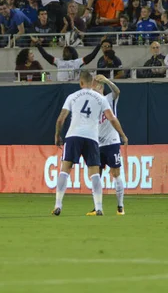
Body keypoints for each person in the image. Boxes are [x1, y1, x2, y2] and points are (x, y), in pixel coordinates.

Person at [52, 71, 128, 216]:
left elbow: (61, 119)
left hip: (76, 136)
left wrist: (57, 135)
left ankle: (58, 205)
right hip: (93, 139)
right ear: (92, 83)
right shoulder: (100, 99)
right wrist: (123, 134)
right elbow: (112, 118)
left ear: (81, 82)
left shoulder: (73, 96)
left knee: (65, 169)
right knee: (95, 174)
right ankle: (99, 207)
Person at [91, 74, 125, 215]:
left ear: (100, 88)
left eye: (96, 86)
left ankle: (120, 207)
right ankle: (98, 207)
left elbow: (117, 92)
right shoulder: (91, 105)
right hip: (97, 144)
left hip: (112, 142)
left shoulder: (108, 99)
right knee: (96, 175)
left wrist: (107, 81)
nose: (93, 89)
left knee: (115, 173)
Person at [33, 37, 102, 81]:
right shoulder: (58, 61)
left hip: (71, 85)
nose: (64, 53)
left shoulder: (77, 62)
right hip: (60, 86)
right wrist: (38, 45)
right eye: (63, 52)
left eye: (66, 52)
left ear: (72, 53)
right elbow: (45, 55)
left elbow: (91, 56)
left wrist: (99, 45)